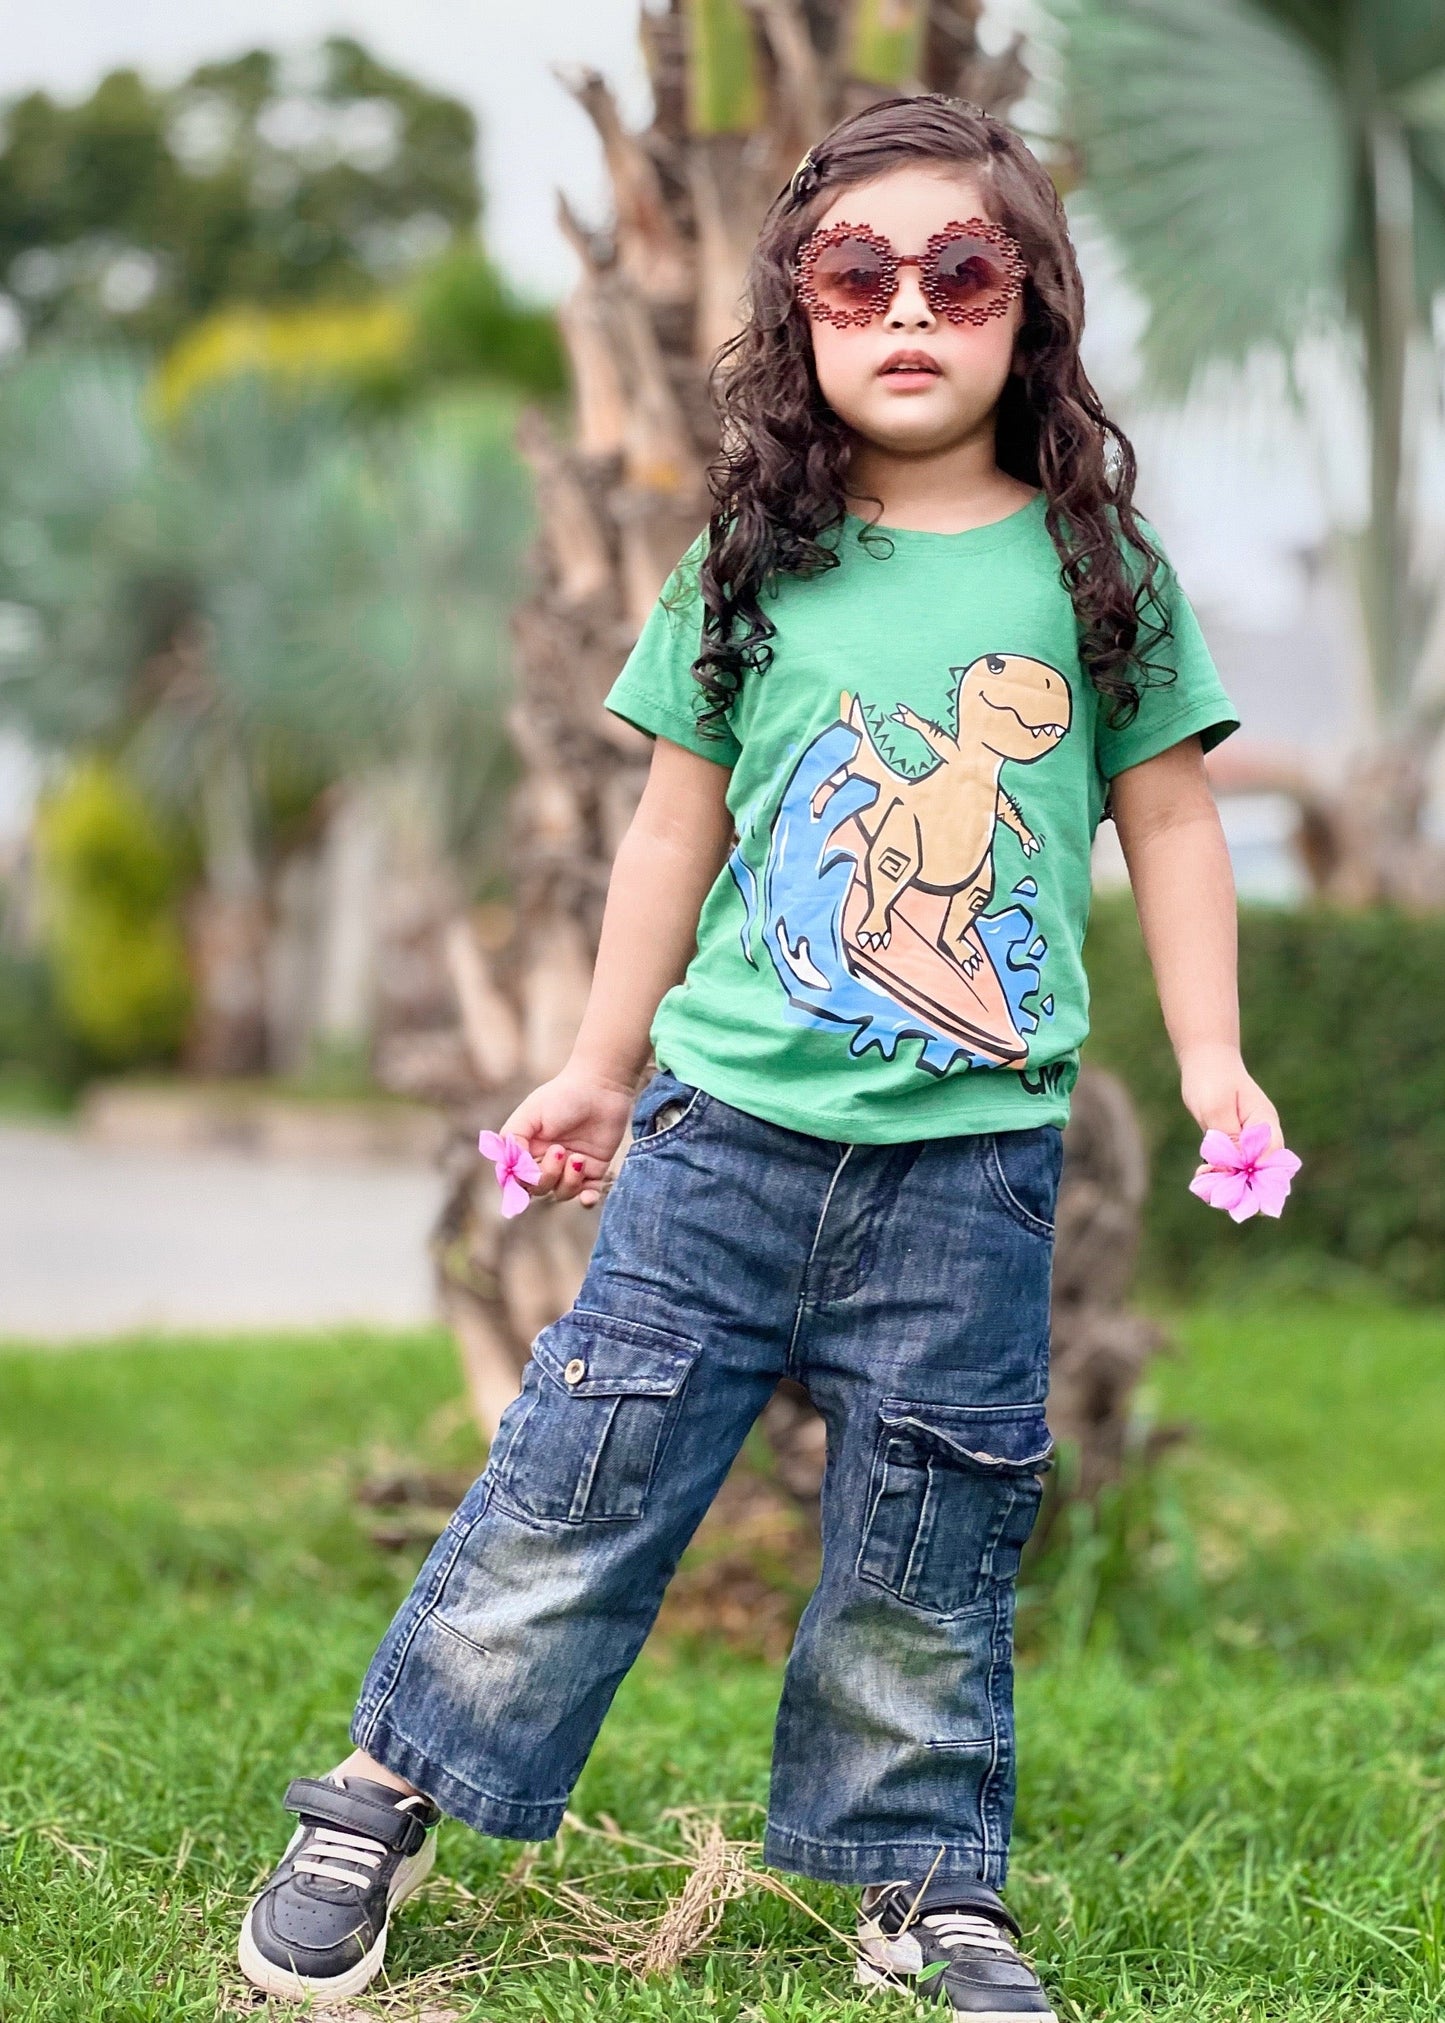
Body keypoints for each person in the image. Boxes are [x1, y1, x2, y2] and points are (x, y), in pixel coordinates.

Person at [238, 95, 1281, 2017]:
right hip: (719, 1143)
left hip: (971, 1170)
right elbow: (667, 832)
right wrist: (590, 1067)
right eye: (856, 274)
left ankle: (921, 1886)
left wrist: (1213, 1060)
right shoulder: (753, 558)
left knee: (927, 1536)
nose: (910, 309)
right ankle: (379, 1799)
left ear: (1031, 307)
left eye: (960, 270)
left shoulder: (1093, 569)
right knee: (576, 1481)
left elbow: (1175, 826)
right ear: (797, 311)